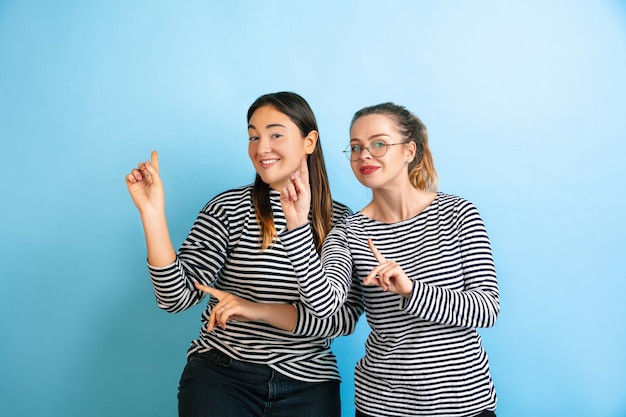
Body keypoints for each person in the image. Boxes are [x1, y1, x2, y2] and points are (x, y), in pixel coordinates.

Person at [124, 91, 363, 417]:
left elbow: (340, 319)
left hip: (310, 384)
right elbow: (174, 298)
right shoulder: (228, 209)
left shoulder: (342, 222)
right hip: (222, 375)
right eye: (253, 136)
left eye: (275, 134)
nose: (261, 148)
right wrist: (152, 213)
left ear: (309, 141)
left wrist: (257, 309)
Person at [279, 102, 499, 416]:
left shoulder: (459, 214)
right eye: (356, 147)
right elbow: (323, 303)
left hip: (464, 404)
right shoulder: (348, 232)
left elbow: (486, 309)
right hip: (382, 405)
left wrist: (412, 290)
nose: (364, 155)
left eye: (378, 144)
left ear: (409, 150)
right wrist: (297, 225)